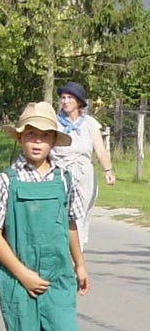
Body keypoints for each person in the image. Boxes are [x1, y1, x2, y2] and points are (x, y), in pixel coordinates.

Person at [0, 101, 89, 330]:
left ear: (53, 141)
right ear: (20, 138)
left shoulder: (64, 180)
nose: (38, 141)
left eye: (45, 135)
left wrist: (79, 264)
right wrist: (22, 273)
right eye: (31, 134)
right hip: (17, 277)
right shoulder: (7, 180)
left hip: (58, 275)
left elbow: (71, 225)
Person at [52, 81, 115, 251]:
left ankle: (76, 254)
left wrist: (108, 170)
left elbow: (100, 151)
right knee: (58, 215)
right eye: (63, 98)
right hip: (59, 173)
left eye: (69, 98)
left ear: (78, 102)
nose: (65, 101)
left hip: (83, 175)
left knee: (79, 217)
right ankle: (60, 252)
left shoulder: (90, 123)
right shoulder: (53, 123)